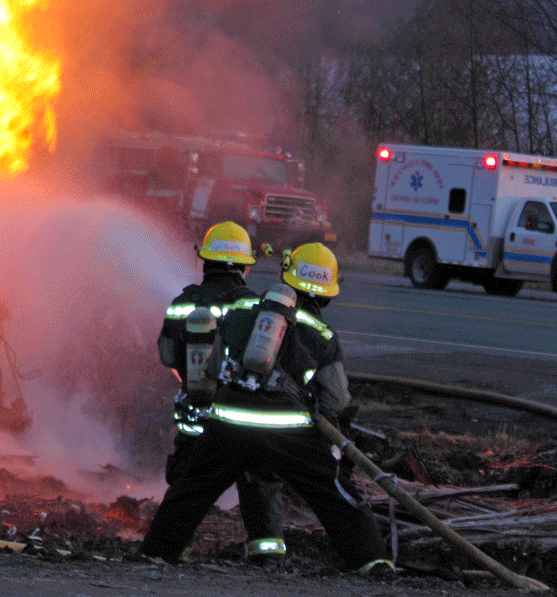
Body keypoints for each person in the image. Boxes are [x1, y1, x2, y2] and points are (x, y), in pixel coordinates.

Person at [143, 242, 394, 577]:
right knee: (333, 495)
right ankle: (372, 561)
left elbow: (212, 368)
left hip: (229, 423)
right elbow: (336, 397)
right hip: (288, 431)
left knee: (191, 489)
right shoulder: (322, 334)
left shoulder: (243, 312)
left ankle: (157, 552)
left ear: (285, 275)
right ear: (327, 293)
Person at [157, 221, 287, 562]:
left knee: (186, 486)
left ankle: (174, 548)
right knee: (258, 484)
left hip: (195, 417)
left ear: (205, 260)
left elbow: (168, 356)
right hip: (242, 419)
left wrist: (195, 382)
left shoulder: (181, 304)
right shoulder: (255, 309)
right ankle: (267, 554)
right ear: (245, 265)